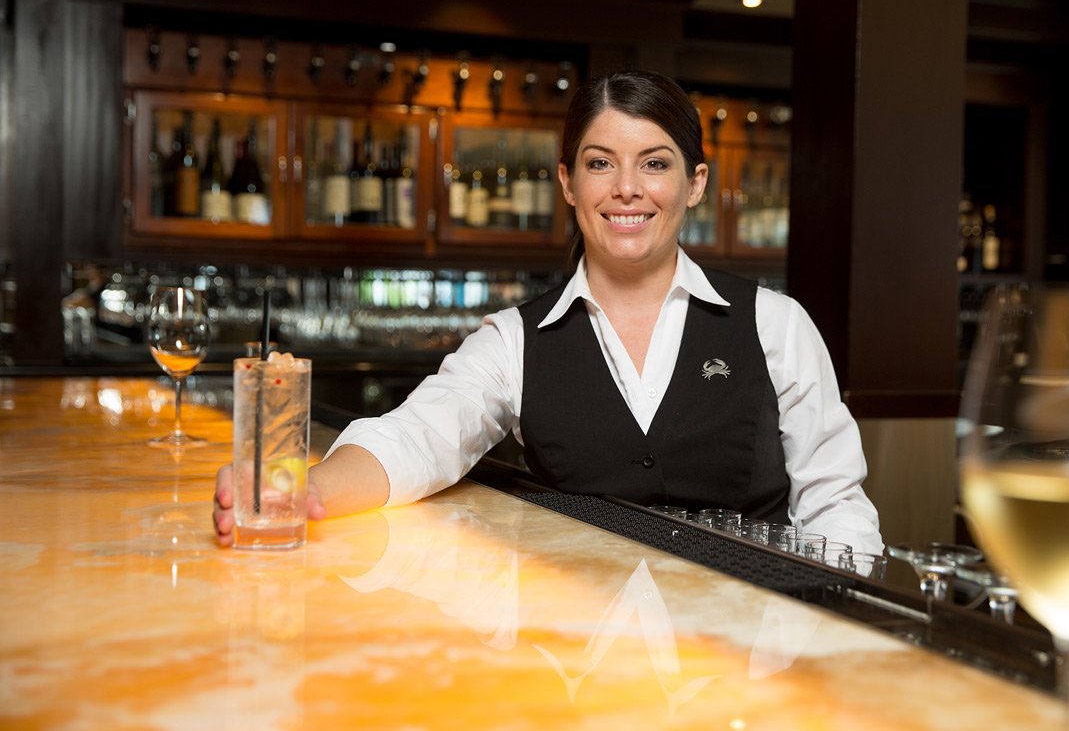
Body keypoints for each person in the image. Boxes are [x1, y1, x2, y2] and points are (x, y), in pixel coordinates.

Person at [214, 70, 882, 554]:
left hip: (750, 653)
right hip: (581, 651)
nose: (626, 188)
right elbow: (419, 435)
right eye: (600, 163)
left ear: (694, 183)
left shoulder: (775, 324)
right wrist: (302, 487)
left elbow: (835, 506)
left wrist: (846, 641)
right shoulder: (514, 341)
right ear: (567, 181)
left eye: (654, 163)